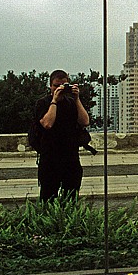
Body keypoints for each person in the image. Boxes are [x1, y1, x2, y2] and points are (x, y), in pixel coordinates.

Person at [34, 70, 90, 202]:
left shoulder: (71, 102)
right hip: (50, 158)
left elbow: (85, 121)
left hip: (70, 157)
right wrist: (54, 101)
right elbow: (47, 124)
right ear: (50, 86)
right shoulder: (43, 103)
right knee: (48, 198)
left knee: (71, 198)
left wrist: (76, 99)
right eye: (56, 86)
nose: (59, 89)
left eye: (63, 85)